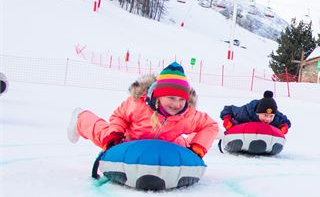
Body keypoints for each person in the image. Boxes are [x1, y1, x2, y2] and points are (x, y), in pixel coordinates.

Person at [67, 62, 219, 156]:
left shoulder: (187, 114)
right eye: (171, 98)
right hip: (132, 139)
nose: (176, 104)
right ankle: (81, 118)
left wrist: (198, 147)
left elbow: (210, 125)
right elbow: (119, 116)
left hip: (167, 143)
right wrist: (115, 134)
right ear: (158, 96)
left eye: (181, 99)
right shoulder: (138, 104)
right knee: (103, 134)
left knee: (186, 147)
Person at [220, 90, 291, 134]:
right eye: (265, 115)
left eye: (271, 116)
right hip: (241, 130)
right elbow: (229, 109)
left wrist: (284, 126)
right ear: (258, 113)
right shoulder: (245, 112)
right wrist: (227, 118)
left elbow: (286, 121)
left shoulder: (276, 118)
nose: (268, 119)